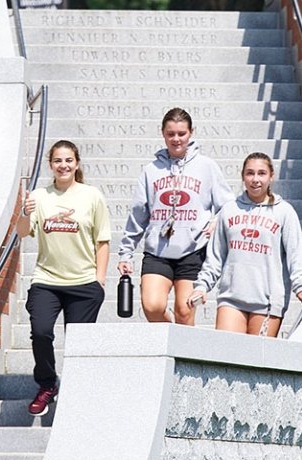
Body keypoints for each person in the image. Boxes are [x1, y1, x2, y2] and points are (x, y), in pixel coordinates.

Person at [16, 139, 111, 416]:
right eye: (58, 160)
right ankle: (47, 385)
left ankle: (78, 390)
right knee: (41, 332)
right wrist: (25, 211)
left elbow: (102, 241)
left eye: (68, 160)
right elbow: (23, 232)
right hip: (47, 280)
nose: (63, 165)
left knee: (80, 342)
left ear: (76, 163)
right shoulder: (40, 196)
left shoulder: (91, 196)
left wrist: (100, 281)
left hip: (83, 283)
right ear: (51, 164)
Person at [118, 107, 234, 325]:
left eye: (181, 134)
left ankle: (183, 354)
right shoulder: (150, 170)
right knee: (152, 306)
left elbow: (228, 204)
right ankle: (171, 333)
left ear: (191, 133)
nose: (176, 139)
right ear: (163, 133)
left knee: (185, 310)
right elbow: (138, 213)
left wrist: (216, 220)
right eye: (171, 134)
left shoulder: (207, 167)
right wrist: (126, 252)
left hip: (193, 250)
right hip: (158, 250)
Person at [187, 152, 302, 337]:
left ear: (271, 176)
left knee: (257, 362)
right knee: (225, 357)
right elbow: (216, 256)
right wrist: (202, 286)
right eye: (250, 173)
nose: (255, 179)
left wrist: (300, 286)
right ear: (243, 176)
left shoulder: (284, 212)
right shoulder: (229, 210)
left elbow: (296, 256)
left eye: (261, 173)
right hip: (231, 298)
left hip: (267, 302)